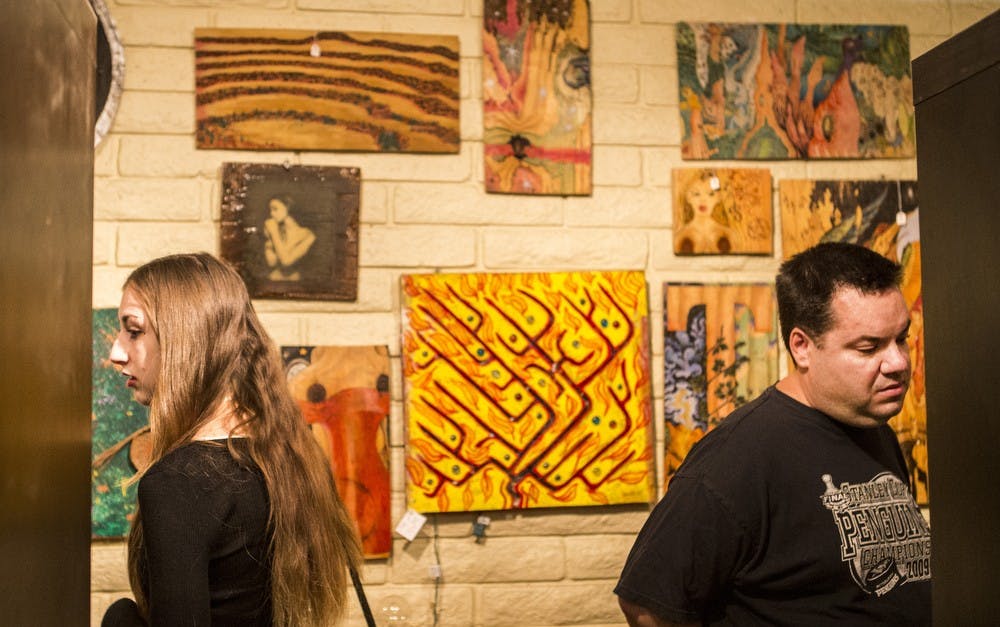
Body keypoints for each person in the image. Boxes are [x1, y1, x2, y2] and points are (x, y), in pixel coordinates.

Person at [616, 242, 931, 626]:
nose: (898, 362)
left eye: (901, 338)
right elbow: (648, 605)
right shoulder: (736, 458)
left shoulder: (872, 426)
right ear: (802, 347)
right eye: (869, 347)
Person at [101, 252, 362, 627]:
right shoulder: (287, 453)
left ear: (186, 338)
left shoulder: (179, 482)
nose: (116, 353)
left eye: (134, 330)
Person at [674, 172, 734, 254]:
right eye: (696, 194)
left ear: (718, 197)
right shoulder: (680, 237)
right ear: (688, 197)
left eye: (710, 194)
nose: (703, 200)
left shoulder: (729, 234)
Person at [263, 195, 316, 281]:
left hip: (296, 282)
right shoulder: (276, 229)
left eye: (275, 209)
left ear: (287, 208)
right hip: (274, 280)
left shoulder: (308, 235)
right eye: (270, 210)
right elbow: (271, 262)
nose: (271, 213)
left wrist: (274, 232)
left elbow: (286, 261)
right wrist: (269, 239)